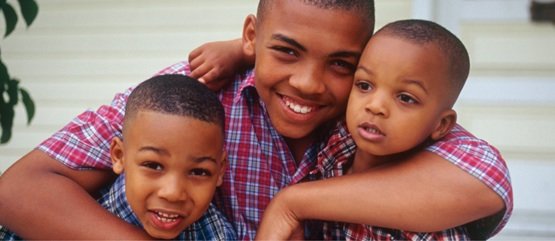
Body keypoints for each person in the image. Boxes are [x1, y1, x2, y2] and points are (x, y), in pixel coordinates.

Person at [0, 1, 511, 240]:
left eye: (340, 64)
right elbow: (19, 190)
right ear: (251, 35)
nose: (310, 84)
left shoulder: (371, 113)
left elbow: (484, 181)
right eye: (286, 51)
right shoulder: (197, 94)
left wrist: (294, 203)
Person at [253, 19, 506, 240]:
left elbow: (488, 174)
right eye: (364, 85)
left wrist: (291, 203)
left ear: (440, 125)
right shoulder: (341, 143)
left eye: (406, 98)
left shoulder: (432, 219)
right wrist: (239, 50)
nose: (375, 106)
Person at [0, 75, 236, 240]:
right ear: (118, 155)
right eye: (153, 165)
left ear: (220, 170)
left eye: (198, 171)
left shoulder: (215, 234)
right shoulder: (59, 219)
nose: (173, 193)